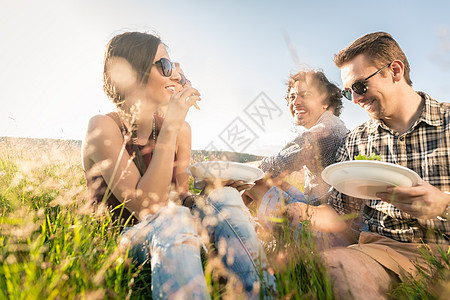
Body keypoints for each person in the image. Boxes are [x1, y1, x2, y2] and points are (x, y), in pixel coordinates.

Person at [82, 31, 275, 299]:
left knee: (225, 196)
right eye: (166, 66)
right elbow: (145, 208)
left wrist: (207, 195)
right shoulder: (103, 126)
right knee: (173, 218)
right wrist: (170, 126)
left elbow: (180, 195)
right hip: (124, 240)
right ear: (134, 70)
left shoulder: (180, 130)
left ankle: (258, 294)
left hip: (173, 231)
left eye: (176, 71)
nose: (175, 76)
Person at [285, 32, 450, 299]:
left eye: (360, 86)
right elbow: (340, 214)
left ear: (395, 70)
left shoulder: (447, 121)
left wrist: (443, 204)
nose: (357, 99)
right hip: (386, 250)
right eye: (349, 93)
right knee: (334, 267)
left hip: (445, 245)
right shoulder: (357, 141)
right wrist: (303, 213)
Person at [243, 70, 348, 233]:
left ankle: (231, 227)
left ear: (325, 102)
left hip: (326, 220)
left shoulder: (325, 131)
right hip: (318, 204)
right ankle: (244, 224)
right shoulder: (331, 124)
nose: (296, 102)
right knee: (266, 180)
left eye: (305, 95)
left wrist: (229, 171)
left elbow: (272, 166)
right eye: (292, 97)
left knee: (252, 181)